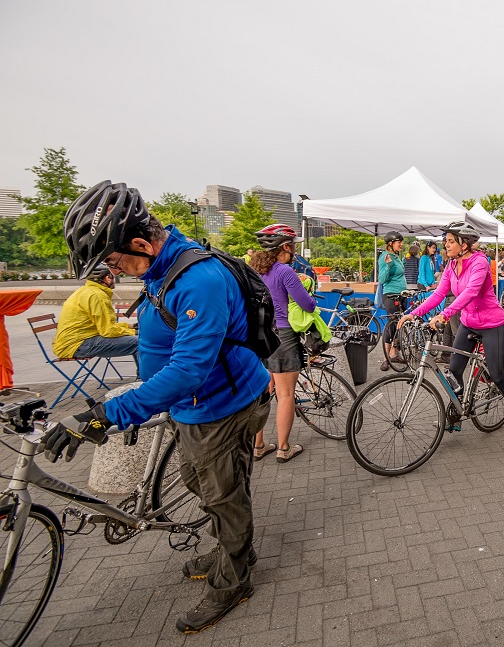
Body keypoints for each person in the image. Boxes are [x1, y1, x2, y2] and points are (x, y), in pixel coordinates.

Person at [50, 180, 271, 633]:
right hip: (195, 405)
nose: (117, 271)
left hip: (221, 405)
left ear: (139, 243)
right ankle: (233, 548)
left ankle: (234, 579)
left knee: (222, 494)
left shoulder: (199, 280)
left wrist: (106, 413)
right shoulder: (162, 266)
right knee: (198, 479)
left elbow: (189, 370)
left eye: (114, 261)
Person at [399, 221, 504, 440]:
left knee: (497, 375)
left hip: (491, 324)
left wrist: (445, 314)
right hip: (469, 322)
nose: (446, 245)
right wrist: (415, 313)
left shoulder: (480, 262)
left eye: (450, 241)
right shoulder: (451, 266)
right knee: (454, 370)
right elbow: (439, 294)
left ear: (465, 244)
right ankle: (457, 416)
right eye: (445, 241)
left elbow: (469, 293)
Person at [249, 224, 314, 463]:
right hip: (283, 335)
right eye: (293, 244)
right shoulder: (285, 272)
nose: (295, 249)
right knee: (286, 394)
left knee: (263, 391)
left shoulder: (253, 270)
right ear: (285, 247)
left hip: (258, 335)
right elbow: (307, 305)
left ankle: (258, 445)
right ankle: (284, 448)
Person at [53, 265, 139, 371]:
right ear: (107, 278)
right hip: (79, 345)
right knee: (141, 342)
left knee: (138, 339)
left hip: (70, 343)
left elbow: (103, 325)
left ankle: (145, 379)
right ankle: (145, 380)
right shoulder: (98, 296)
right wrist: (134, 332)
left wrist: (131, 326)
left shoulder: (85, 291)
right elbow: (108, 331)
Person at [378, 231, 408, 372]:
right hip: (390, 295)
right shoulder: (385, 257)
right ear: (390, 243)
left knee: (399, 325)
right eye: (398, 242)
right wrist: (388, 266)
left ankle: (394, 354)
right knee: (391, 325)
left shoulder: (396, 257)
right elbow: (382, 279)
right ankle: (386, 358)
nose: (401, 244)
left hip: (401, 294)